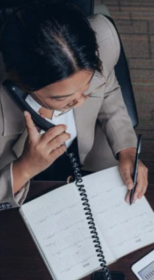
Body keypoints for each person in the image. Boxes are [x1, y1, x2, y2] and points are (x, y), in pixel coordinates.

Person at [0, 0, 148, 209]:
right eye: (61, 98)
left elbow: (109, 91)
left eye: (87, 85)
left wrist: (127, 149)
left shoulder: (103, 41)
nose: (81, 101)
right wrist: (24, 168)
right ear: (23, 84)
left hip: (87, 154)